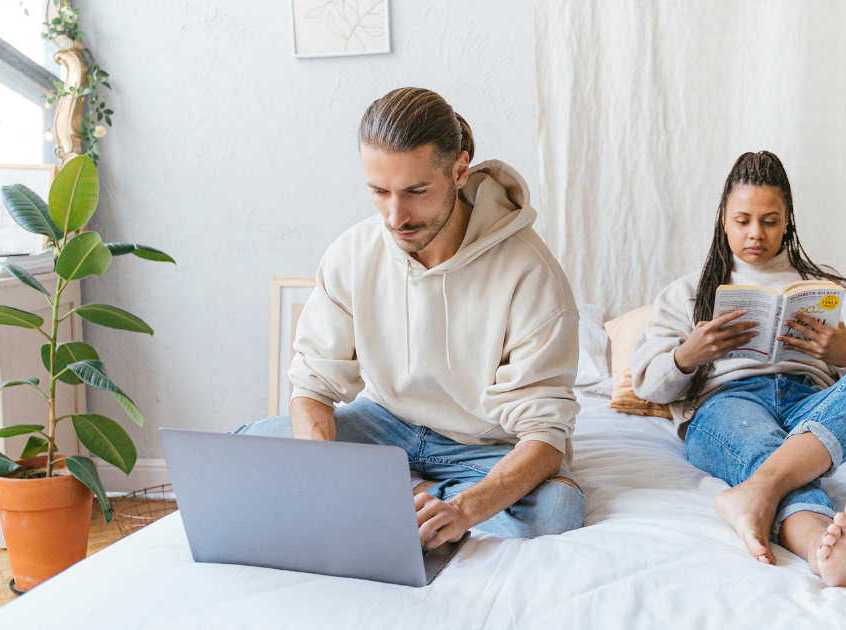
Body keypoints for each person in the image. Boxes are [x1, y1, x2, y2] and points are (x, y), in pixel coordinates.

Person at [235, 87, 585, 548]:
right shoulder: (352, 252)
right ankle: (411, 495)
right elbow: (313, 385)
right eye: (379, 192)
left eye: (416, 192)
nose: (395, 216)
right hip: (385, 423)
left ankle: (404, 497)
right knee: (246, 449)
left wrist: (465, 509)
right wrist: (322, 474)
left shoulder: (530, 272)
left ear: (459, 170)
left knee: (556, 512)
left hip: (483, 448)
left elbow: (544, 432)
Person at [628, 151, 846, 587]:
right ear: (723, 219)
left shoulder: (828, 288)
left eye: (769, 220)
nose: (755, 233)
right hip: (729, 404)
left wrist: (844, 354)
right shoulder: (687, 292)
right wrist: (687, 355)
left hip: (813, 405)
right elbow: (649, 386)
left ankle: (755, 492)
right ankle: (824, 550)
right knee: (762, 445)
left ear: (788, 222)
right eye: (742, 219)